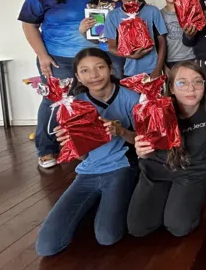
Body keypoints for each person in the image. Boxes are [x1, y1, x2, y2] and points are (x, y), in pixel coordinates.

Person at [35, 48, 138, 256]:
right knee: (46, 246)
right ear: (77, 76)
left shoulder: (132, 98)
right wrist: (71, 143)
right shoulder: (73, 105)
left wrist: (121, 131)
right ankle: (95, 204)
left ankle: (106, 205)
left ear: (111, 68)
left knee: (107, 237)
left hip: (122, 168)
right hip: (87, 172)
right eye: (85, 70)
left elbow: (145, 143)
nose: (94, 75)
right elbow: (82, 156)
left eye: (100, 67)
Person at [18, 0, 96, 169]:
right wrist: (42, 55)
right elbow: (28, 24)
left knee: (86, 102)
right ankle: (46, 149)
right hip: (57, 59)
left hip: (90, 58)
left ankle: (84, 144)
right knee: (54, 101)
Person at [126, 62, 206, 238]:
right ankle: (165, 196)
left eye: (197, 82)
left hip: (192, 172)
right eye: (182, 83)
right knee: (138, 228)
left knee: (178, 227)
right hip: (157, 170)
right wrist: (142, 151)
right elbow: (144, 146)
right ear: (171, 87)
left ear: (204, 85)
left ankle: (178, 200)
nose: (190, 89)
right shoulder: (155, 110)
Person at [103, 0, 168, 78]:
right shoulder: (112, 16)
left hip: (152, 70)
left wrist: (158, 69)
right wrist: (131, 56)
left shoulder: (152, 11)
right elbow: (111, 47)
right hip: (128, 71)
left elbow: (162, 42)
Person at [79, 0, 126, 78]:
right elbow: (96, 38)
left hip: (136, 54)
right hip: (110, 56)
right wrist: (84, 32)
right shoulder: (95, 4)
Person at [158, 0, 195, 69]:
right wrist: (164, 66)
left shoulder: (189, 11)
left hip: (192, 58)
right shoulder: (158, 14)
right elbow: (159, 44)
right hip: (171, 61)